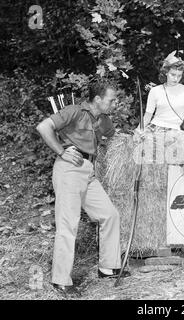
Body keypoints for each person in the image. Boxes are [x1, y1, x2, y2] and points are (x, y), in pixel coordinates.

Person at [36, 81, 127, 297]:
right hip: (69, 169)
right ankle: (61, 280)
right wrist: (61, 151)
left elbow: (115, 136)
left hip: (89, 172)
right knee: (68, 225)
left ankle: (107, 267)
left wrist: (134, 138)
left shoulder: (103, 119)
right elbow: (43, 127)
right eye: (111, 100)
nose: (114, 103)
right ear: (97, 99)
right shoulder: (74, 111)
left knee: (110, 215)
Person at [137, 50, 184, 134]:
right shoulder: (155, 91)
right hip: (154, 128)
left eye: (179, 76)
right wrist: (138, 131)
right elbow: (147, 116)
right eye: (173, 74)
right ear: (166, 72)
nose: (176, 79)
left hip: (174, 131)